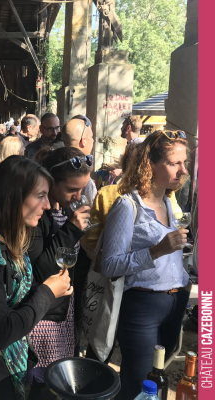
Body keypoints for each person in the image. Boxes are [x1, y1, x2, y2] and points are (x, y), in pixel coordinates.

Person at [0, 155, 73, 400]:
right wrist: (48, 292)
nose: (48, 205)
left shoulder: (11, 238)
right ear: (13, 196)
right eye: (40, 196)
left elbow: (11, 310)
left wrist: (7, 313)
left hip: (9, 367)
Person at [101, 130, 191, 400]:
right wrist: (157, 250)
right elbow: (109, 265)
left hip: (175, 305)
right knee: (141, 388)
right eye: (175, 163)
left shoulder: (166, 202)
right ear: (149, 164)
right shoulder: (127, 206)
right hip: (141, 309)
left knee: (157, 386)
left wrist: (184, 279)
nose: (183, 170)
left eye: (184, 162)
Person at [26, 147, 92, 399]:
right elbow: (41, 269)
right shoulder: (35, 216)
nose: (78, 196)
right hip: (41, 316)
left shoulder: (64, 210)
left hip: (64, 311)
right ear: (51, 182)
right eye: (72, 190)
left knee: (60, 383)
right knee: (42, 387)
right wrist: (72, 230)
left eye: (82, 190)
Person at [62, 115, 97, 206]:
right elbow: (89, 211)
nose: (93, 141)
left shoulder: (59, 164)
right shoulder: (82, 174)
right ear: (83, 141)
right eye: (92, 137)